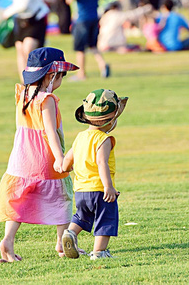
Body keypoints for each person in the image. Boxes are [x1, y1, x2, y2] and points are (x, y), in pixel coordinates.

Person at [0, 47, 79, 263]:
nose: (61, 80)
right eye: (61, 76)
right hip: (44, 157)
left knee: (19, 199)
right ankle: (62, 242)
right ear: (51, 75)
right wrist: (59, 159)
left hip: (21, 158)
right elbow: (50, 131)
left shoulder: (22, 94)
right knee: (62, 196)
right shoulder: (47, 99)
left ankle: (8, 239)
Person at [61, 88, 128, 260]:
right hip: (99, 189)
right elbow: (101, 163)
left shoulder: (80, 137)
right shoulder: (103, 139)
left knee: (82, 215)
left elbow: (67, 161)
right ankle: (99, 252)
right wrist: (108, 187)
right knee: (106, 218)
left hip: (81, 190)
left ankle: (70, 233)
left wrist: (65, 167)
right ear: (109, 121)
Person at [3, 0, 50, 82]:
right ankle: (25, 81)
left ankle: (37, 78)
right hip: (21, 19)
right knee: (20, 49)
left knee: (28, 50)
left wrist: (7, 12)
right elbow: (16, 2)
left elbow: (24, 4)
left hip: (35, 19)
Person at [66, 0, 110, 80]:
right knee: (93, 45)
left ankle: (81, 74)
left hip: (82, 18)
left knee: (80, 48)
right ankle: (103, 65)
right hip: (94, 16)